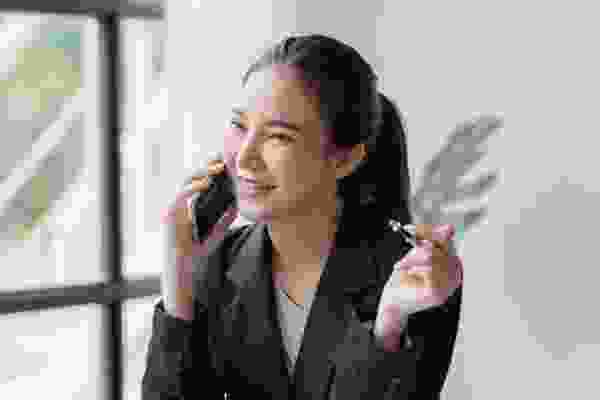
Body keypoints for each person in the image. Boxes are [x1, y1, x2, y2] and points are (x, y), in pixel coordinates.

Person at [142, 33, 463, 400]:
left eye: (278, 137)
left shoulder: (410, 275)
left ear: (345, 159)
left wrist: (386, 329)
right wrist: (177, 290)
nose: (244, 158)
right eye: (240, 125)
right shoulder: (216, 264)